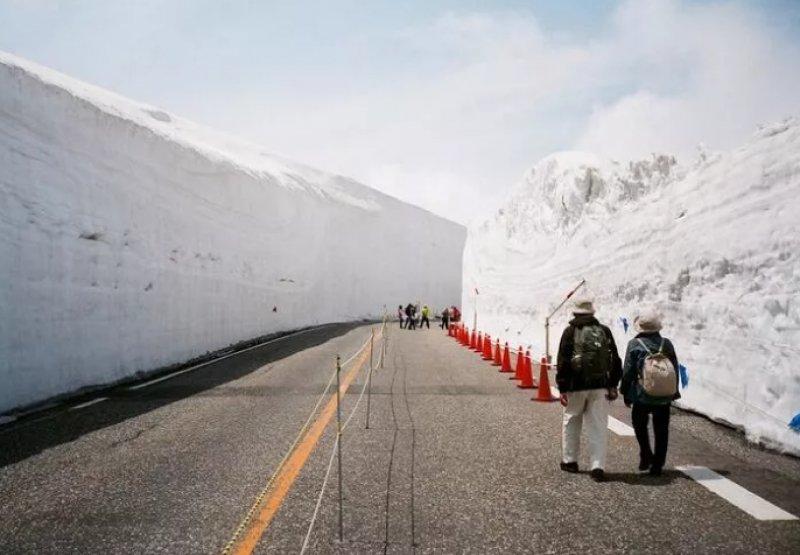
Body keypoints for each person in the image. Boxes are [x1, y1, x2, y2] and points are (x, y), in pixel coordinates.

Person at [556, 298, 622, 482]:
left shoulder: (570, 332)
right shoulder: (604, 331)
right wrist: (612, 384)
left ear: (575, 313)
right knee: (598, 426)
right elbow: (615, 360)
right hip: (600, 385)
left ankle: (570, 461)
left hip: (576, 386)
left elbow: (563, 361)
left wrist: (562, 387)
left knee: (571, 421)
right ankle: (597, 466)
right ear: (592, 313)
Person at [620, 308, 680, 477]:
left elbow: (628, 371)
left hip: (642, 395)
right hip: (664, 396)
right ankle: (658, 465)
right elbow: (673, 369)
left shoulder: (634, 344)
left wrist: (625, 392)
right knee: (662, 430)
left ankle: (646, 453)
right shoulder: (666, 344)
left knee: (639, 424)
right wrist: (674, 392)